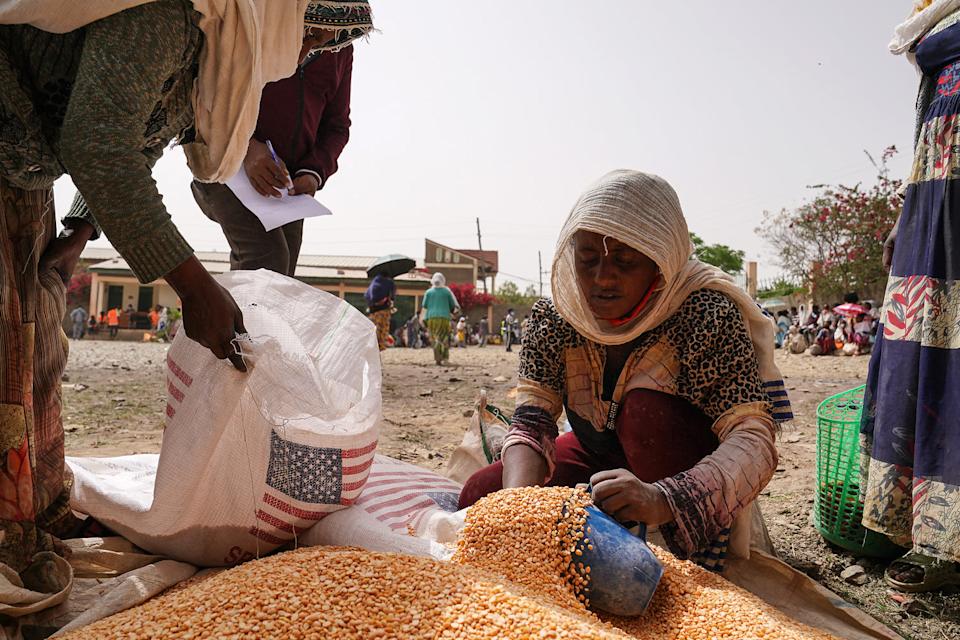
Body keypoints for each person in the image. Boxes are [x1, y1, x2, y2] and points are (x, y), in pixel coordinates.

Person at [0, 0, 315, 574]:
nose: (302, 55)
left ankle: (34, 508)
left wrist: (79, 229)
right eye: (310, 36)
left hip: (24, 175)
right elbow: (97, 146)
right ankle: (8, 528)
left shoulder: (214, 57)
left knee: (34, 343)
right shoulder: (174, 17)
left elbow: (135, 146)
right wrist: (194, 287)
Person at [459, 171, 792, 570]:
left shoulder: (704, 313)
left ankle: (675, 553)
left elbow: (753, 439)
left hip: (677, 471)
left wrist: (662, 500)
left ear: (660, 260)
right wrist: (517, 505)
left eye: (624, 260)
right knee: (483, 493)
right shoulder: (556, 317)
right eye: (587, 259)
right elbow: (534, 417)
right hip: (597, 453)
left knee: (642, 414)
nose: (601, 278)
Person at [863, 2, 960, 592]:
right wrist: (905, 214)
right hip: (933, 206)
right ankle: (926, 528)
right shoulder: (933, 35)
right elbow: (930, 127)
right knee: (924, 360)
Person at [191, 3, 372, 275]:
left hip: (286, 188)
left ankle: (235, 318)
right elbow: (204, 95)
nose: (304, 53)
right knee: (266, 260)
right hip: (226, 165)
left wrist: (312, 174)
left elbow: (337, 126)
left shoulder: (340, 50)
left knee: (282, 278)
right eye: (305, 35)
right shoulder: (250, 22)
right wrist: (248, 149)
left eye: (321, 42)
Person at [420, 273, 460, 365]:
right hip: (444, 318)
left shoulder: (428, 292)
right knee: (444, 337)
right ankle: (445, 358)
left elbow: (425, 306)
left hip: (431, 318)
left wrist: (422, 319)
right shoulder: (446, 292)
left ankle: (437, 358)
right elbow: (452, 306)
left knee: (434, 337)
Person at [365, 273, 396, 351]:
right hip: (384, 311)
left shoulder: (373, 283)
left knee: (374, 330)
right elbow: (392, 297)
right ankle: (380, 347)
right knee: (383, 331)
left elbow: (366, 296)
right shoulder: (389, 283)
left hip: (373, 312)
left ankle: (372, 346)